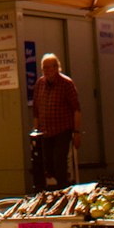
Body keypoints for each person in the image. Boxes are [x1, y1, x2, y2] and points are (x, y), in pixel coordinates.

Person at [32, 52, 82, 189]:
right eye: (44, 68)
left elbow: (76, 109)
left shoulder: (66, 83)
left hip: (62, 130)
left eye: (50, 67)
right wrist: (35, 133)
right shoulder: (40, 84)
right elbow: (36, 110)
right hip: (45, 132)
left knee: (59, 161)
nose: (47, 71)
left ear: (56, 67)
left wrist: (77, 132)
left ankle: (63, 189)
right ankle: (56, 190)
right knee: (48, 164)